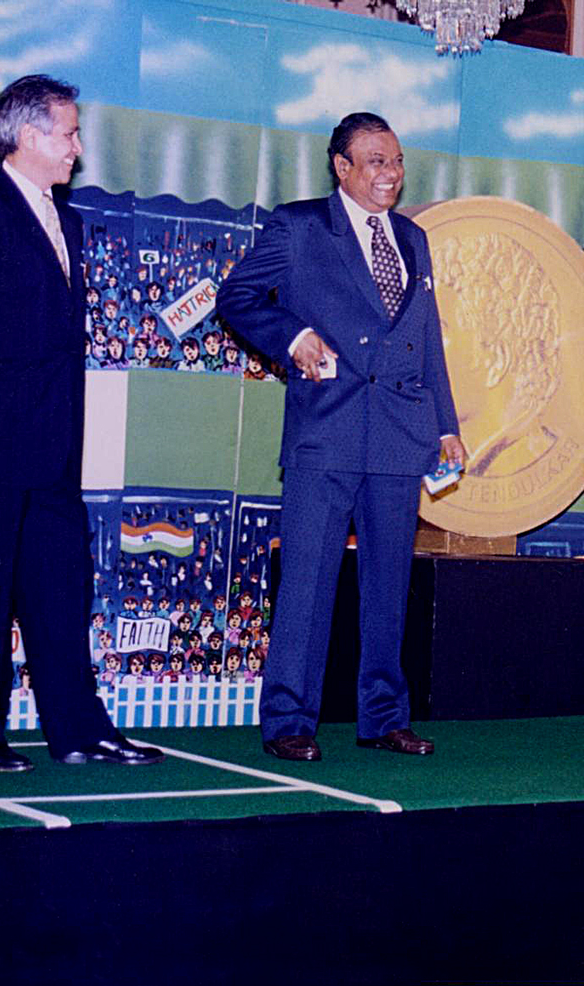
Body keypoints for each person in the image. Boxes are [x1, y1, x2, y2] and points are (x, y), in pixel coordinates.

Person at [0, 75, 162, 770]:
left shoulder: (68, 220)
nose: (78, 149)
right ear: (26, 136)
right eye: (68, 133)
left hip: (55, 445)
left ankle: (80, 729)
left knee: (60, 592)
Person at [217, 112, 464, 761]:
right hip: (325, 433)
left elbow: (428, 336)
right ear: (342, 167)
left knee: (388, 586)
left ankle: (383, 717)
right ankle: (289, 721)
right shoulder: (298, 228)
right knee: (307, 583)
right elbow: (238, 297)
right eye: (376, 161)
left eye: (398, 161)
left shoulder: (413, 238)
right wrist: (293, 338)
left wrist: (446, 426)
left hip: (398, 435)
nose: (391, 173)